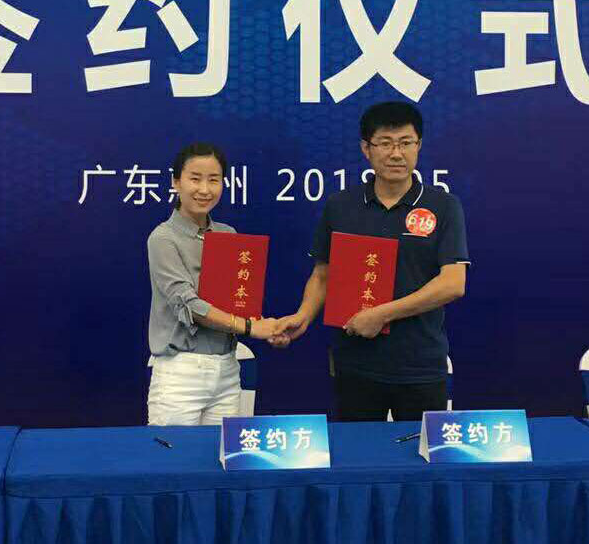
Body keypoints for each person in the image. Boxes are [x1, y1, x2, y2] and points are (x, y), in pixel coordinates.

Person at [271, 102, 469, 421]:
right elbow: (323, 275)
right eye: (385, 143)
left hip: (420, 364)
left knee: (421, 452)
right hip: (356, 364)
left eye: (406, 142)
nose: (396, 153)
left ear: (418, 146)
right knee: (357, 451)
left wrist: (381, 314)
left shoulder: (444, 206)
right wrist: (303, 316)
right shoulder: (341, 205)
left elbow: (453, 284)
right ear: (367, 149)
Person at [147, 142, 279, 425]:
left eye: (214, 180)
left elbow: (237, 304)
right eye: (195, 179)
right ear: (176, 182)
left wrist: (270, 329)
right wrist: (250, 327)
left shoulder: (227, 235)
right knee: (174, 453)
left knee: (221, 452)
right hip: (180, 374)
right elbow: (189, 305)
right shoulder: (163, 238)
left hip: (228, 370)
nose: (204, 189)